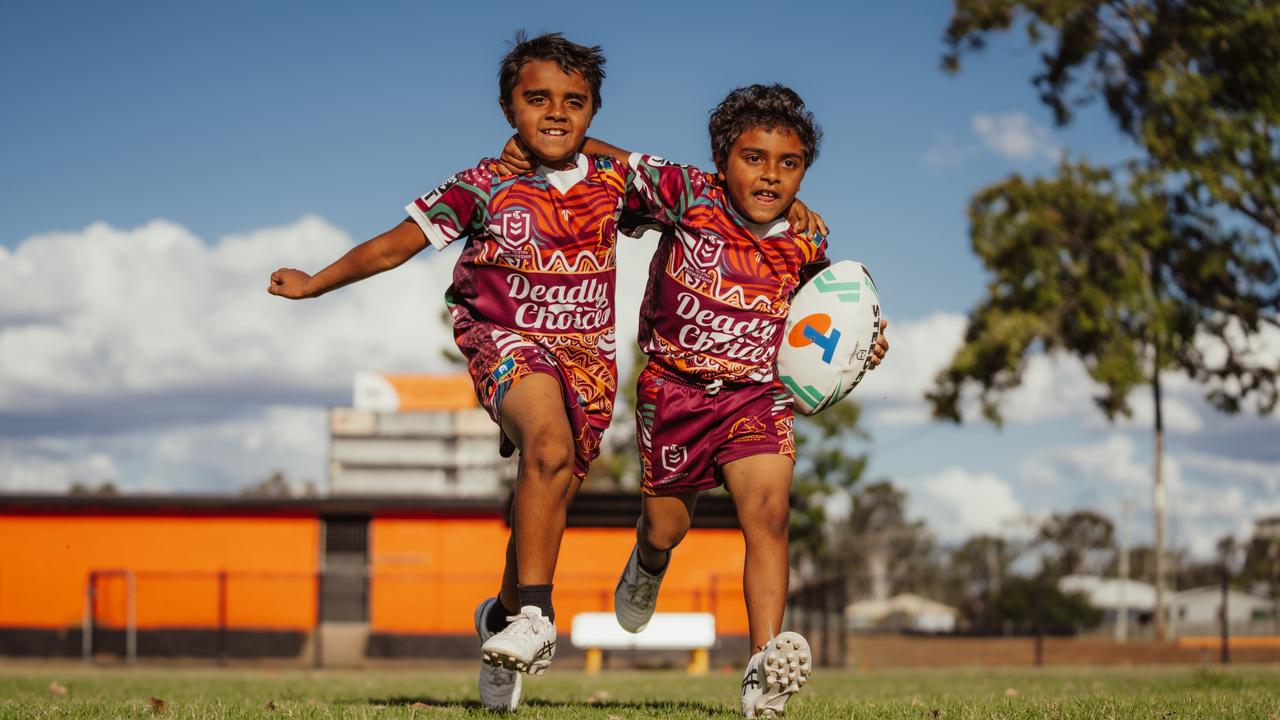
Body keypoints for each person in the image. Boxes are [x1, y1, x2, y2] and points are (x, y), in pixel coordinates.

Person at [268, 32, 629, 712]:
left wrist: (798, 228)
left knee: (547, 495)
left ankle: (501, 618)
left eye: (574, 102)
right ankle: (537, 620)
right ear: (506, 107)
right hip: (506, 341)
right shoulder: (480, 186)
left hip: (589, 362)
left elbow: (709, 207)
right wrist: (315, 282)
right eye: (537, 99)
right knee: (546, 445)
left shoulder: (614, 184)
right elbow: (391, 247)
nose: (555, 112)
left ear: (593, 113)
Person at [584, 84, 888, 717]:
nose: (771, 175)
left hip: (755, 396)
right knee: (670, 524)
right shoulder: (687, 193)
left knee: (770, 513)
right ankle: (648, 558)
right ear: (722, 161)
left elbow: (825, 315)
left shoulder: (808, 239)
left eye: (789, 163)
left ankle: (762, 671)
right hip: (674, 391)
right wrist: (554, 144)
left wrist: (862, 345)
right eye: (754, 157)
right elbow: (605, 160)